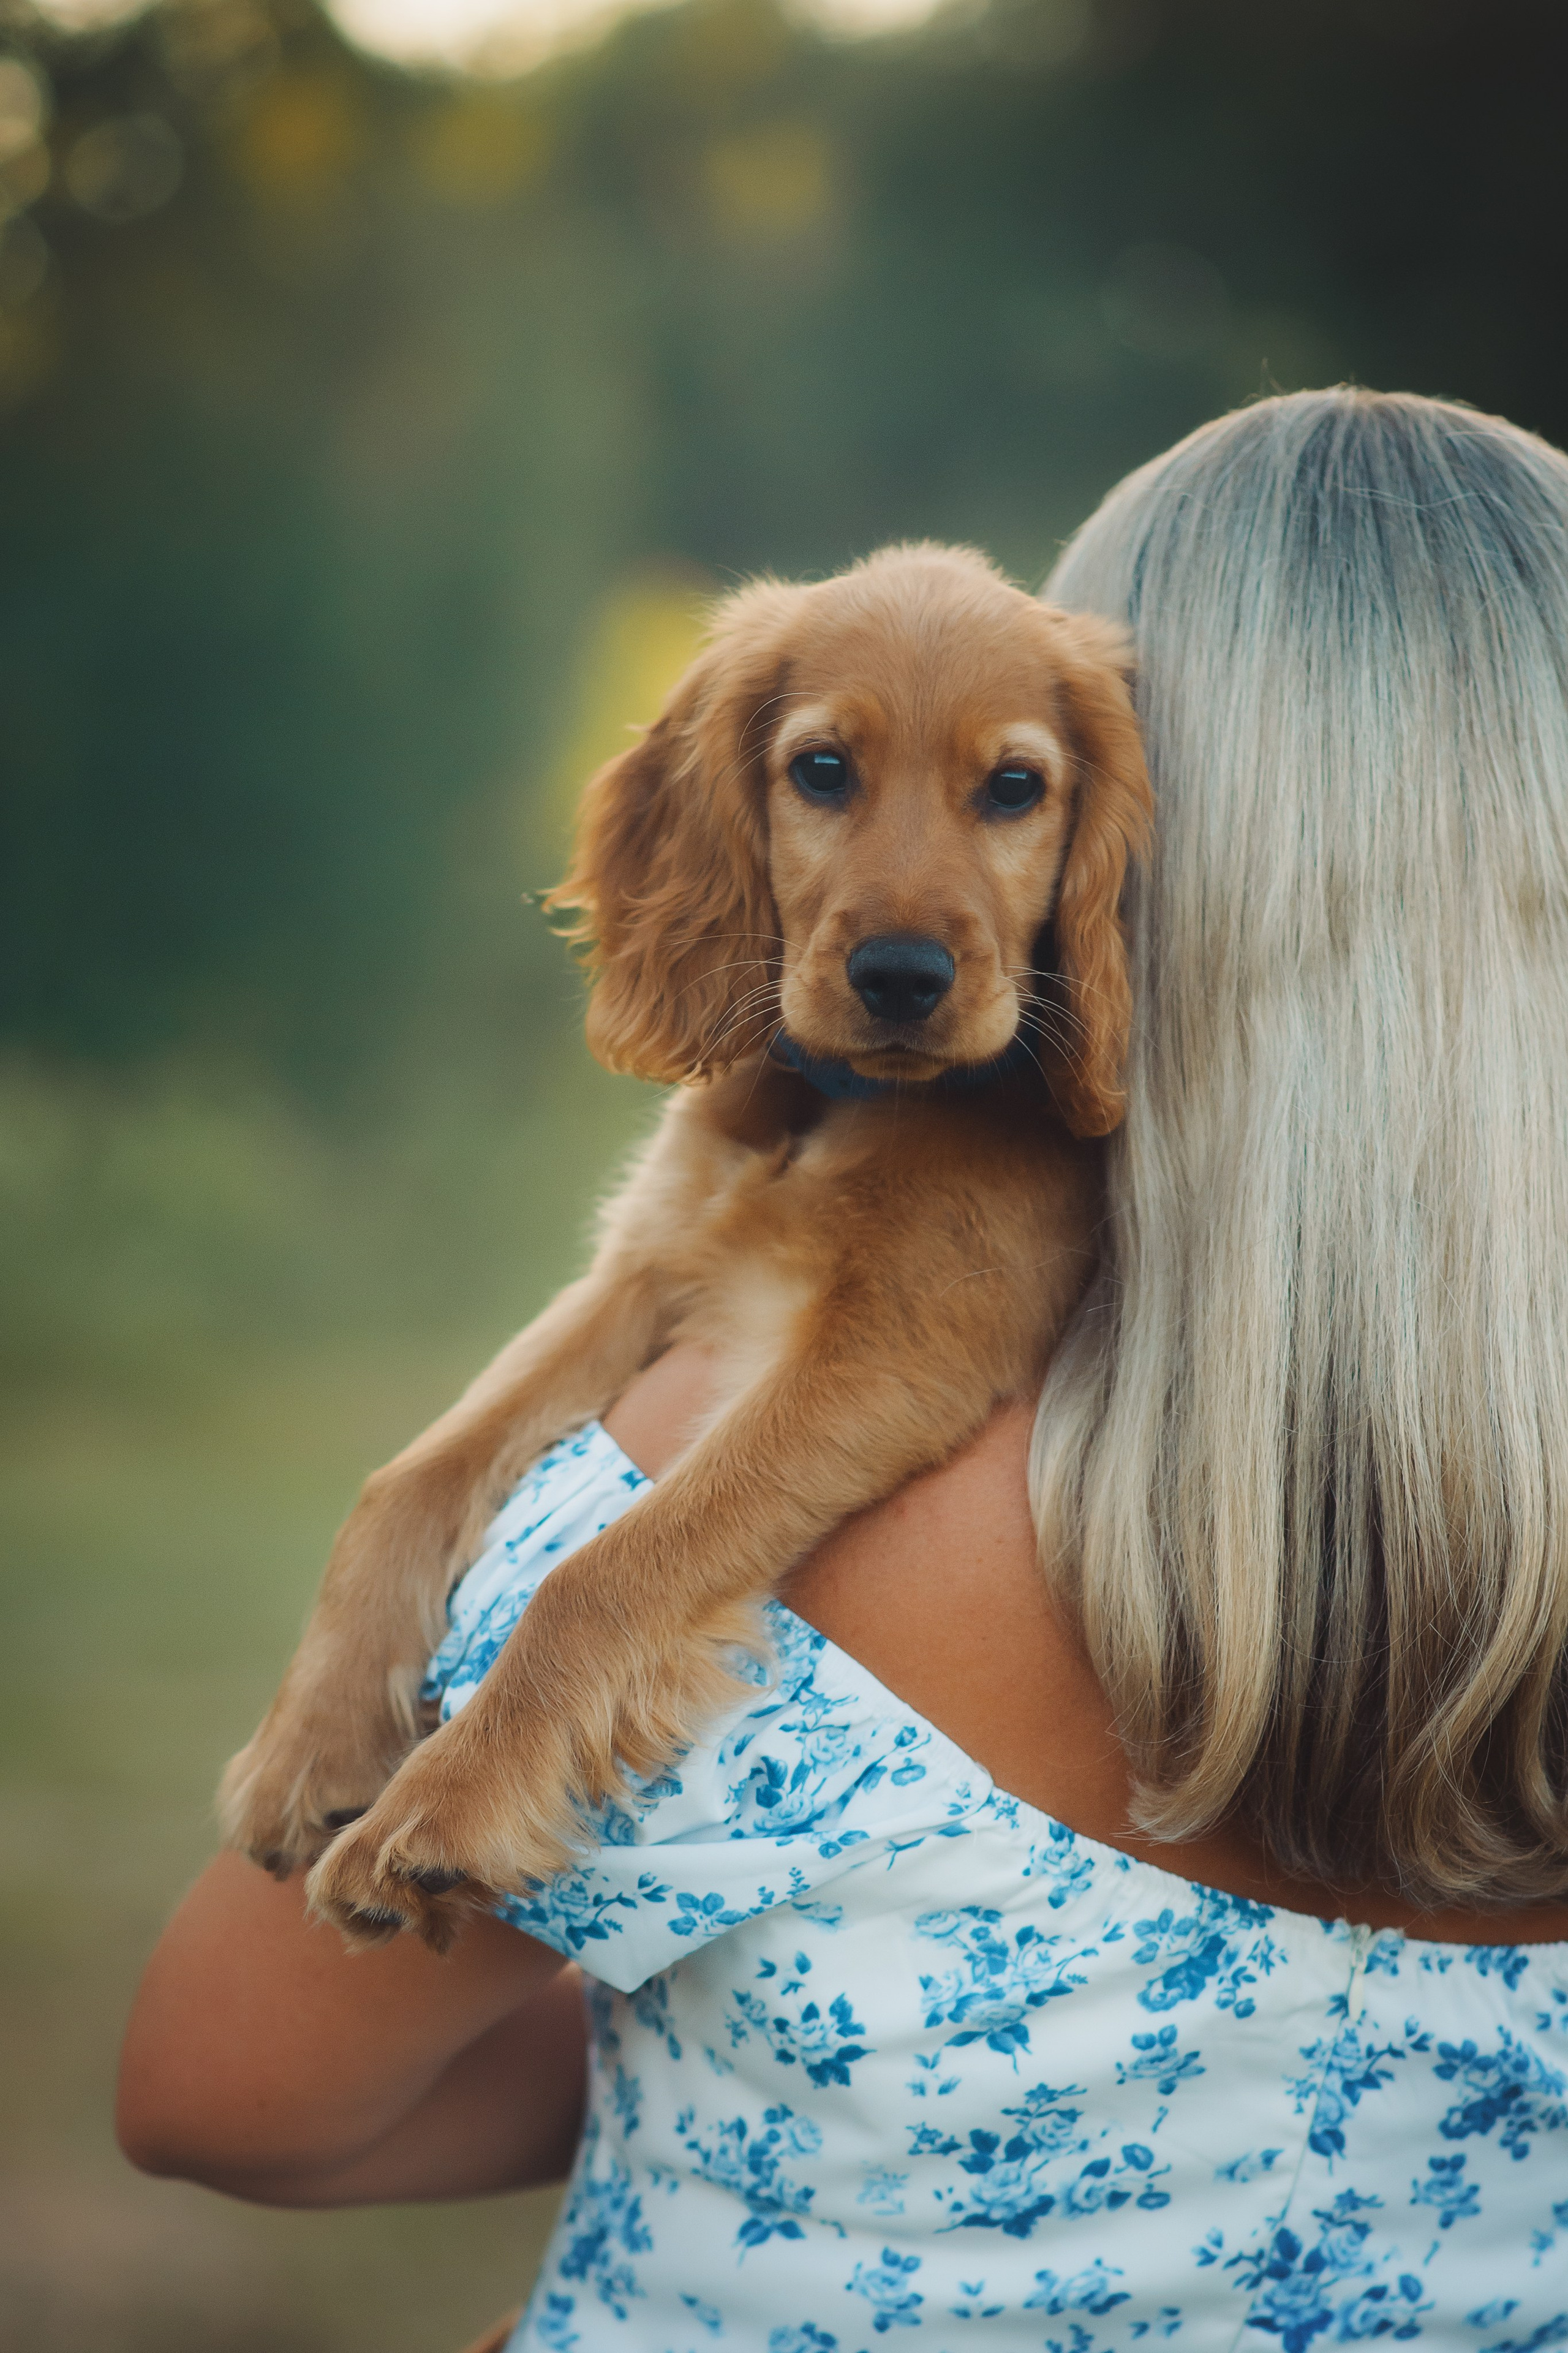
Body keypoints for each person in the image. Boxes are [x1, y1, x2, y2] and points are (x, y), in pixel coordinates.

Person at [119, 390, 1568, 2348]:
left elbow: (221, 2092)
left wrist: (756, 2042)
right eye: (830, 775)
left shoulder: (766, 1502)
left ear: (1158, 848)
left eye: (1014, 792)